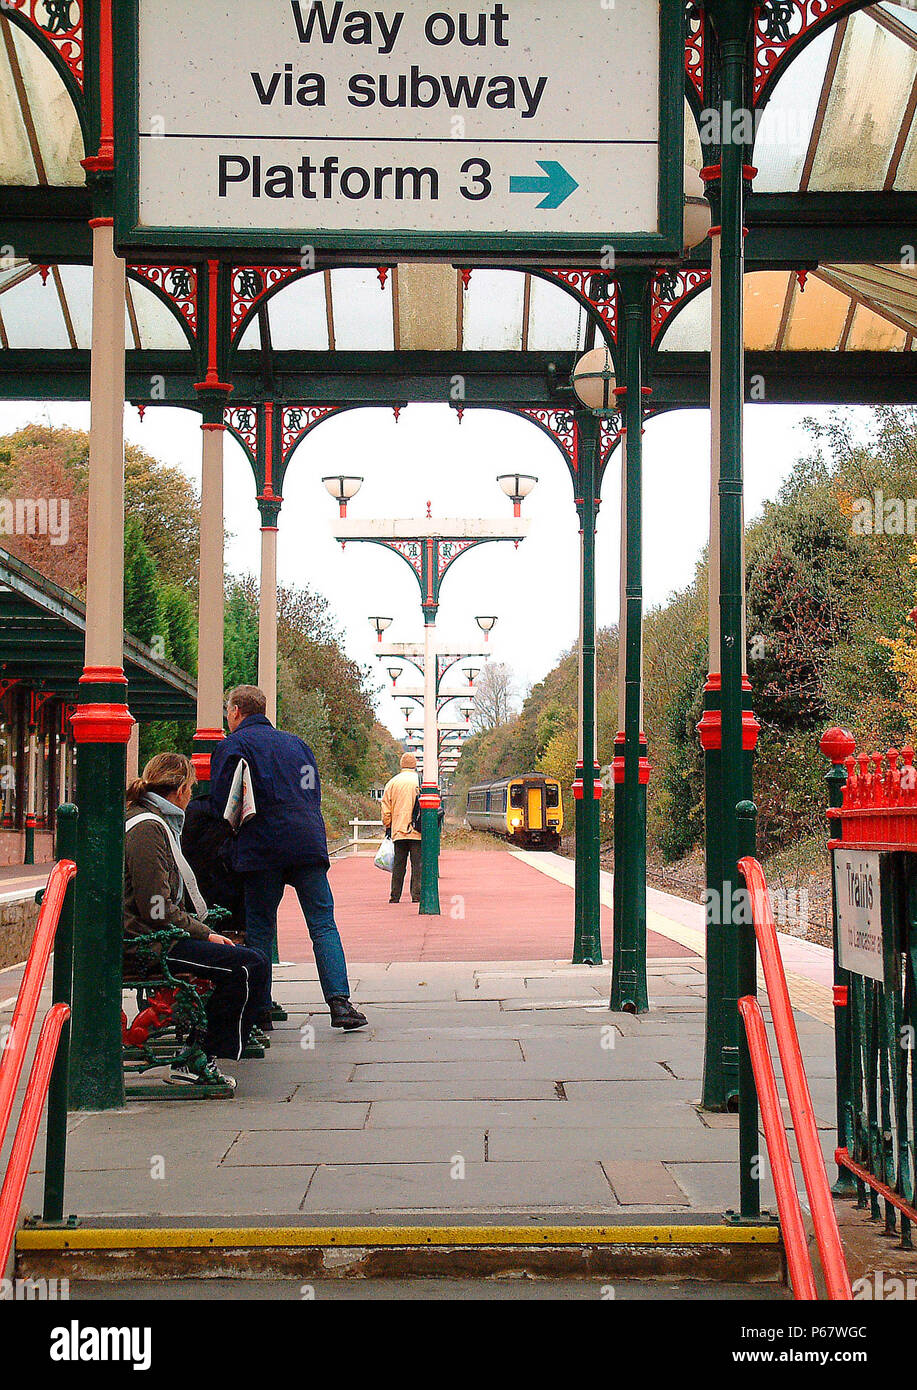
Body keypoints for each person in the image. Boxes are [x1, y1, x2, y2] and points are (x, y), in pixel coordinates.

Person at [209, 685, 368, 1032]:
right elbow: (312, 792)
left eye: (227, 711)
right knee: (323, 923)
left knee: (261, 927)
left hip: (261, 846)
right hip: (306, 841)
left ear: (236, 711)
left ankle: (261, 1009)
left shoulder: (233, 745)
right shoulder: (298, 745)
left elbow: (221, 801)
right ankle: (340, 1003)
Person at [123, 752, 270, 1090]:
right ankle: (200, 1057)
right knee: (247, 966)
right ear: (180, 792)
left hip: (153, 934)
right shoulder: (148, 828)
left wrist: (202, 932)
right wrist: (205, 934)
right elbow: (155, 907)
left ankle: (205, 1049)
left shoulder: (148, 819)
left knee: (252, 960)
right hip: (149, 942)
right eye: (190, 788)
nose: (191, 796)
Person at [381, 753, 422, 904]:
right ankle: (416, 895)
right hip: (417, 830)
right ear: (415, 765)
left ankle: (395, 895)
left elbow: (386, 808)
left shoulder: (392, 783)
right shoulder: (420, 781)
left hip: (398, 830)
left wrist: (388, 825)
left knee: (399, 865)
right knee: (417, 865)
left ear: (401, 764)